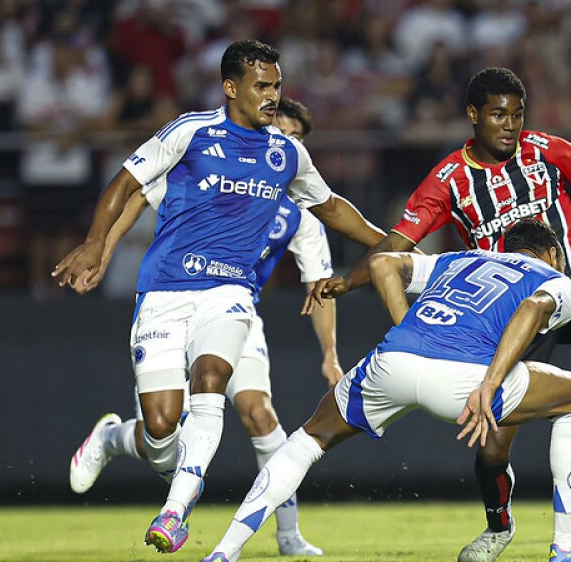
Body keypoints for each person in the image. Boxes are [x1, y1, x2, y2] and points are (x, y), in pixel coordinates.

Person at [305, 67, 571, 561]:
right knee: (492, 447)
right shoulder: (450, 179)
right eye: (498, 114)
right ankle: (498, 526)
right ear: (473, 115)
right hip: (513, 318)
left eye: (517, 115)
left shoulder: (546, 150)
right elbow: (398, 246)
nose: (509, 125)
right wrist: (348, 279)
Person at [52, 40, 386, 554]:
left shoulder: (287, 155)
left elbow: (334, 207)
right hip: (164, 292)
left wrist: (396, 242)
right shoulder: (192, 132)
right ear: (231, 88)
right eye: (262, 86)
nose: (272, 96)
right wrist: (96, 244)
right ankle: (115, 437)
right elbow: (128, 183)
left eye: (277, 85)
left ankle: (175, 512)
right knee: (162, 431)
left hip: (229, 294)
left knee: (217, 387)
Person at [201, 219, 571, 562]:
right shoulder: (557, 280)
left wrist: (409, 332)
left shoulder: (460, 258)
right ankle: (567, 548)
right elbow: (532, 308)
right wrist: (491, 382)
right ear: (553, 254)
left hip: (394, 360)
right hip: (465, 382)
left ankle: (224, 551)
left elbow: (383, 264)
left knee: (307, 440)